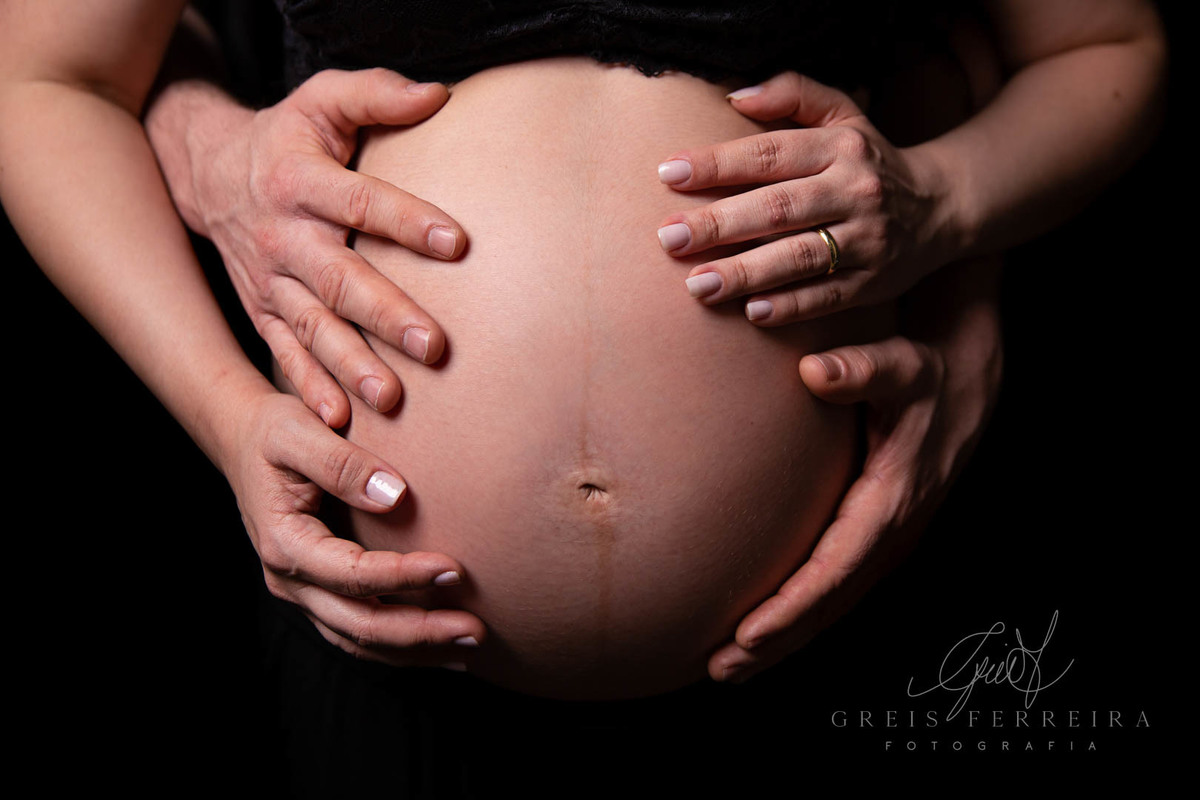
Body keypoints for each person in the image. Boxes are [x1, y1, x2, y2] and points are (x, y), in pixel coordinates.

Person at [0, 0, 1165, 731]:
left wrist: (947, 205)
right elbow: (46, 80)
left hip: (862, 613)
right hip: (375, 654)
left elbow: (1106, 45)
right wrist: (228, 412)